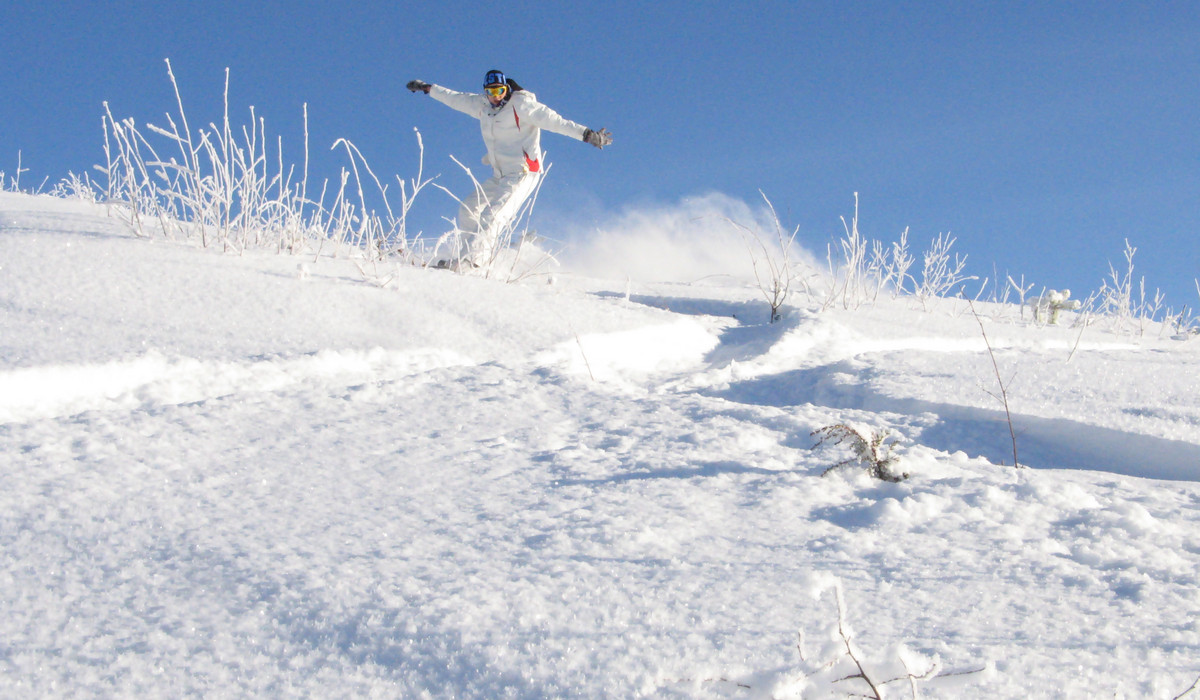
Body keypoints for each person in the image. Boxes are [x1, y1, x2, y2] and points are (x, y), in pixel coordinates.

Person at [407, 70, 612, 270]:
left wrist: (587, 135)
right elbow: (456, 99)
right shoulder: (483, 105)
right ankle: (466, 258)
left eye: (499, 91)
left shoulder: (522, 105)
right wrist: (428, 88)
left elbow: (555, 121)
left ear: (506, 89)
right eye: (490, 92)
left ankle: (474, 262)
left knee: (492, 215)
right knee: (468, 208)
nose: (495, 97)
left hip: (523, 172)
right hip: (499, 174)